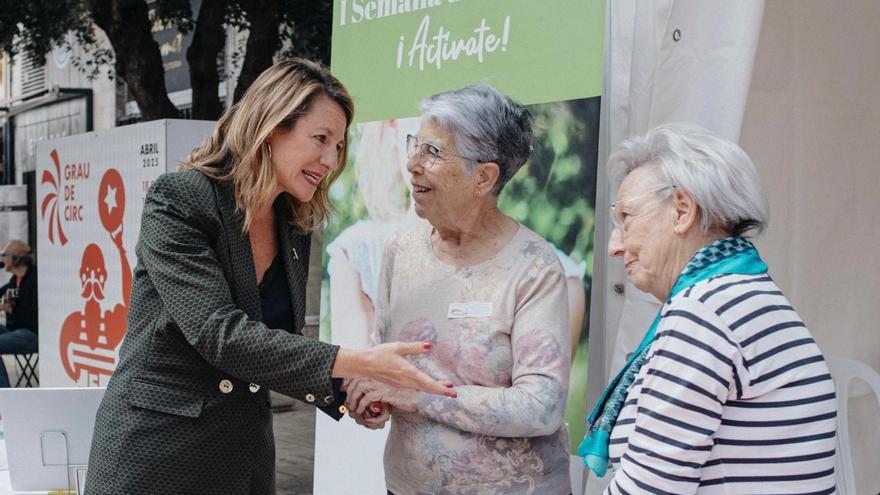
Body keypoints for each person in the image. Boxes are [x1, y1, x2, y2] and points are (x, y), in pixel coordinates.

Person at [85, 59, 453, 495]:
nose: (330, 160)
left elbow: (272, 345)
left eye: (338, 146)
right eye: (320, 139)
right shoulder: (180, 200)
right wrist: (361, 361)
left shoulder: (294, 224)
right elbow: (217, 332)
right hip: (155, 453)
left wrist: (347, 391)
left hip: (243, 456)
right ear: (271, 126)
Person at [578, 123, 837, 493]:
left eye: (626, 219)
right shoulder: (744, 293)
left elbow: (652, 488)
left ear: (682, 210)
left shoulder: (704, 312)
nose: (614, 247)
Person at [345, 84, 573, 494]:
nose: (411, 163)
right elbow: (384, 359)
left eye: (432, 152)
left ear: (484, 177)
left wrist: (414, 396)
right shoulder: (401, 250)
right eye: (415, 144)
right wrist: (372, 397)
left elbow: (542, 407)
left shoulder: (534, 268)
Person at [0, 240, 37, 388]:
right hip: (14, 330)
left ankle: (4, 392)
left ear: (16, 258)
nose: (3, 260)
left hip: (31, 334)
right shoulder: (14, 280)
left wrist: (11, 309)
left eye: (6, 256)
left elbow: (34, 314)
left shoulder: (35, 279)